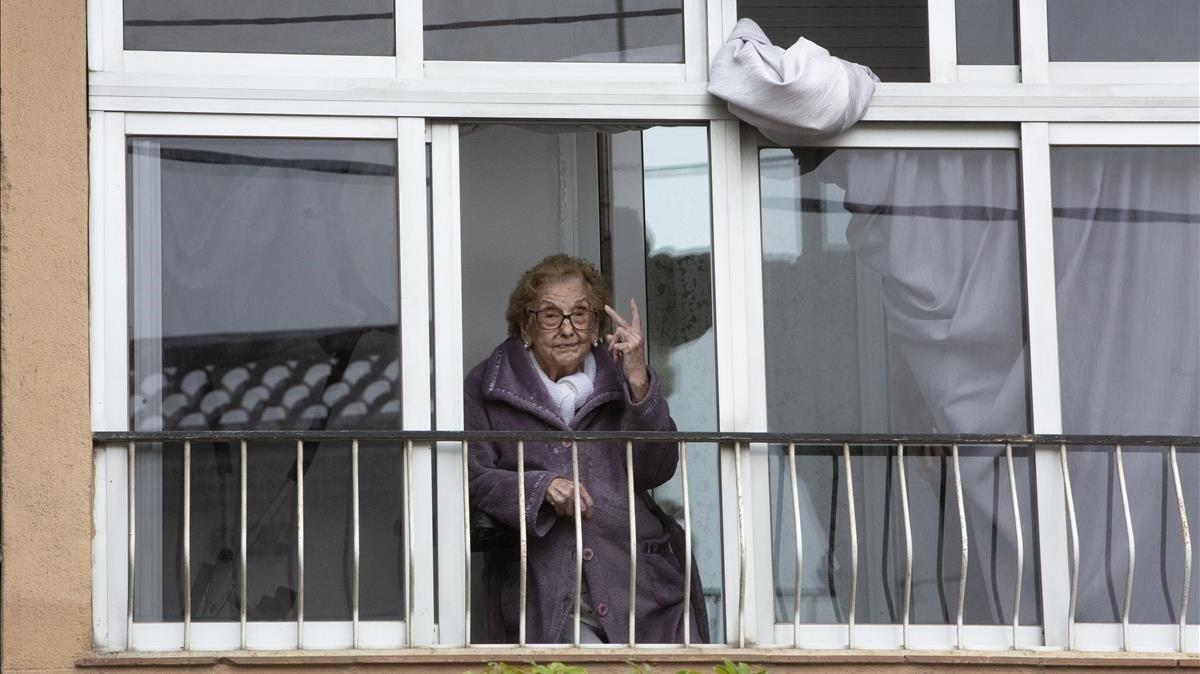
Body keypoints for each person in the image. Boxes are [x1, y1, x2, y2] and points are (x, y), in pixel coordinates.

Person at [464, 254, 709, 644]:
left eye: (580, 315)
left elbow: (657, 469)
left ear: (595, 324)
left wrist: (638, 382)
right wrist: (540, 487)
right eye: (550, 315)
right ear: (525, 325)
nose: (567, 329)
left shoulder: (622, 375)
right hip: (546, 592)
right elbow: (475, 478)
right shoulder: (487, 385)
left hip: (640, 588)